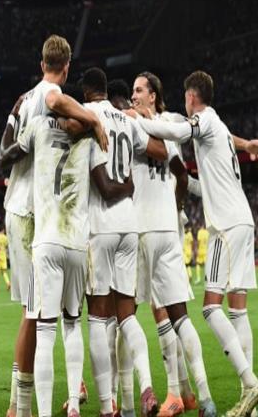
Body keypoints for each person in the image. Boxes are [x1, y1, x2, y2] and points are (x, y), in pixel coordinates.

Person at [134, 70, 258, 417]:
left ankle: (250, 382)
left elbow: (180, 132)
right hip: (243, 220)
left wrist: (141, 121)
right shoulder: (216, 124)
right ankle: (249, 399)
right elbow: (207, 163)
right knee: (238, 310)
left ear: (191, 97)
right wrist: (247, 145)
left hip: (224, 226)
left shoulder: (202, 119)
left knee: (210, 308)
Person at [0, 34, 107, 417]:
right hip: (38, 214)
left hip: (24, 210)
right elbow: (57, 104)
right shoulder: (52, 99)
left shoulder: (22, 101)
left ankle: (24, 403)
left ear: (41, 62)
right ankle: (20, 406)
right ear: (67, 66)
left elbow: (3, 154)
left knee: (37, 312)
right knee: (38, 314)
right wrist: (93, 120)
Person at [78, 68, 166, 417]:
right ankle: (147, 386)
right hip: (130, 223)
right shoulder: (128, 120)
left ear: (87, 93)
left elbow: (101, 185)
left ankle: (106, 405)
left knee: (99, 318)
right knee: (127, 315)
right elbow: (160, 150)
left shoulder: (88, 113)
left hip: (101, 224)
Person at [128, 71, 216, 417]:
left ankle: (166, 395)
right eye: (132, 91)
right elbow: (181, 173)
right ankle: (198, 395)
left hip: (145, 228)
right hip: (168, 226)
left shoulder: (138, 123)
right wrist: (177, 206)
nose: (134, 95)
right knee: (177, 313)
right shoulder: (171, 125)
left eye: (139, 90)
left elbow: (173, 167)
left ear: (153, 95)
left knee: (131, 313)